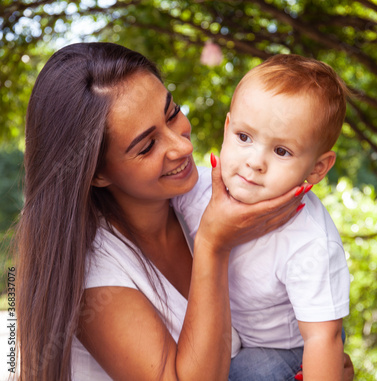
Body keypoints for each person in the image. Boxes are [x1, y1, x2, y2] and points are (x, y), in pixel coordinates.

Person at [16, 42, 306, 381]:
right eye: (148, 146)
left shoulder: (199, 200)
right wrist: (213, 246)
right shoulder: (93, 276)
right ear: (97, 173)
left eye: (172, 113)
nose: (183, 146)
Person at [172, 54, 351, 380]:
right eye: (244, 137)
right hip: (235, 336)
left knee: (245, 373)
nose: (255, 161)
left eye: (281, 151)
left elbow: (322, 338)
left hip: (289, 348)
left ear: (317, 168)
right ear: (227, 129)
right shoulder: (195, 190)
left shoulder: (310, 242)